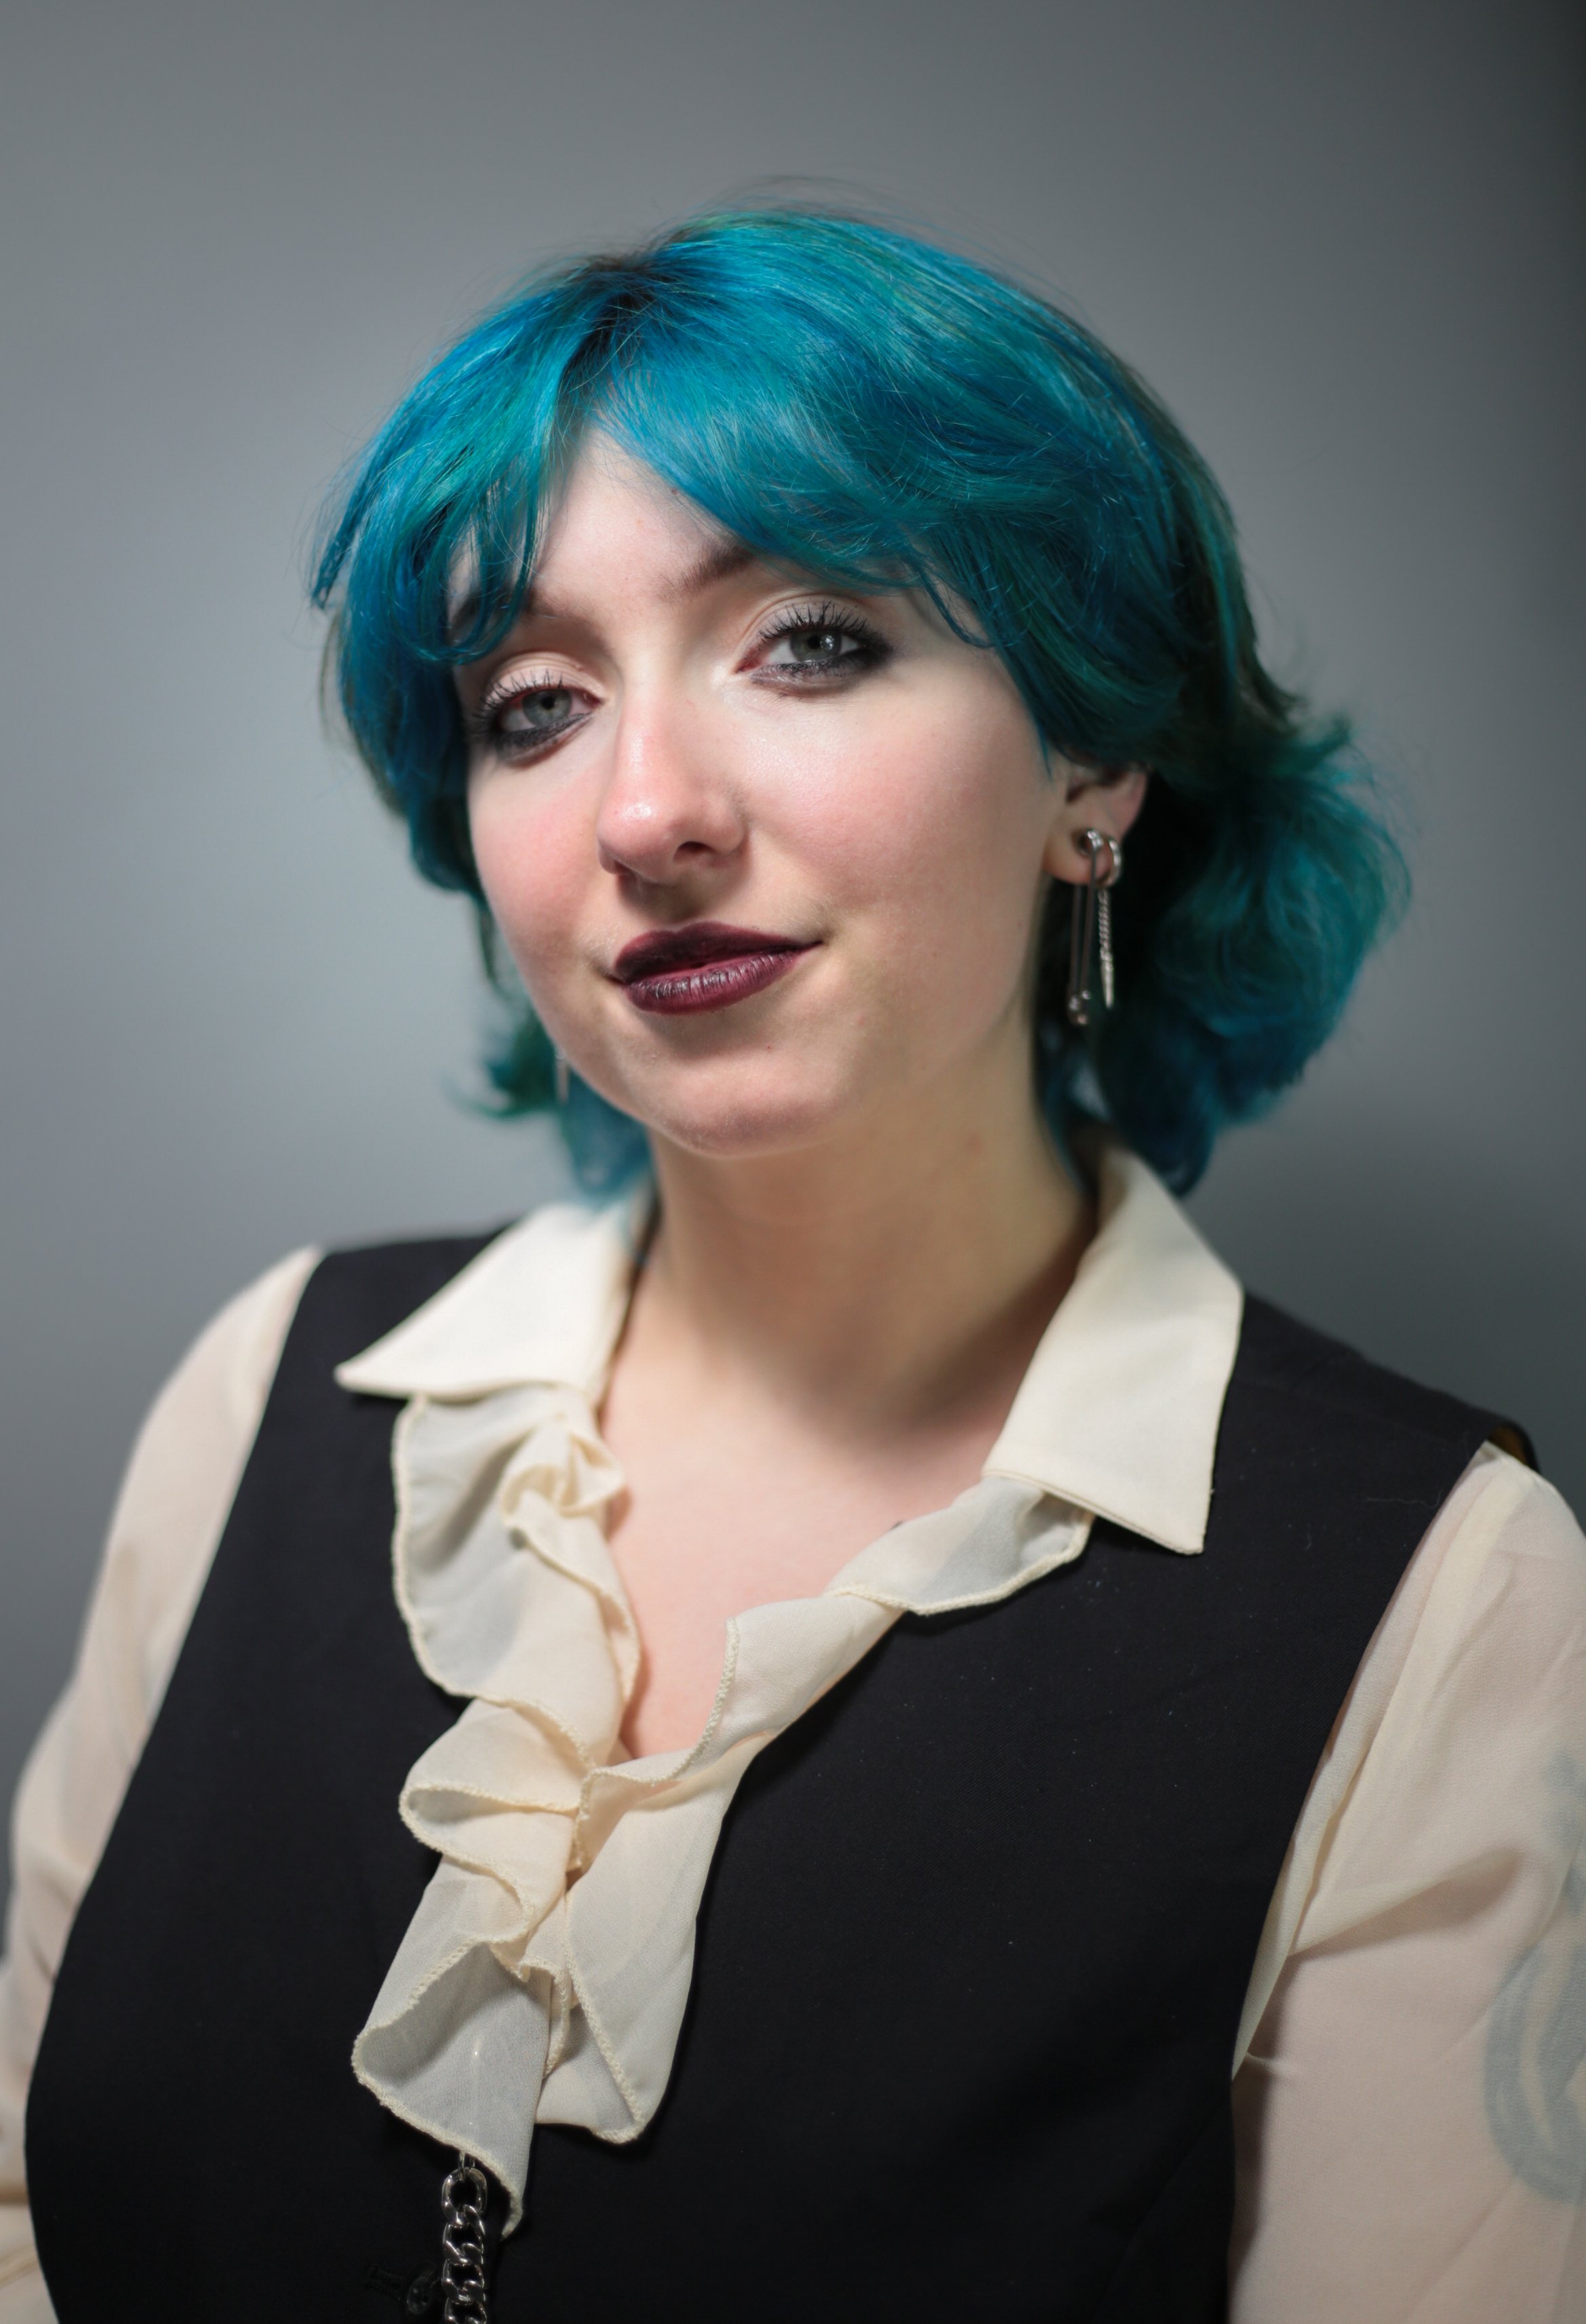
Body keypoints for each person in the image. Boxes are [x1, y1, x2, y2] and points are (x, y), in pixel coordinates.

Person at [1, 208, 1581, 2324]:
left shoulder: (1447, 1594)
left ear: (1092, 763)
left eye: (811, 641)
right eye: (535, 703)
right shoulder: (274, 1385)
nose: (644, 810)